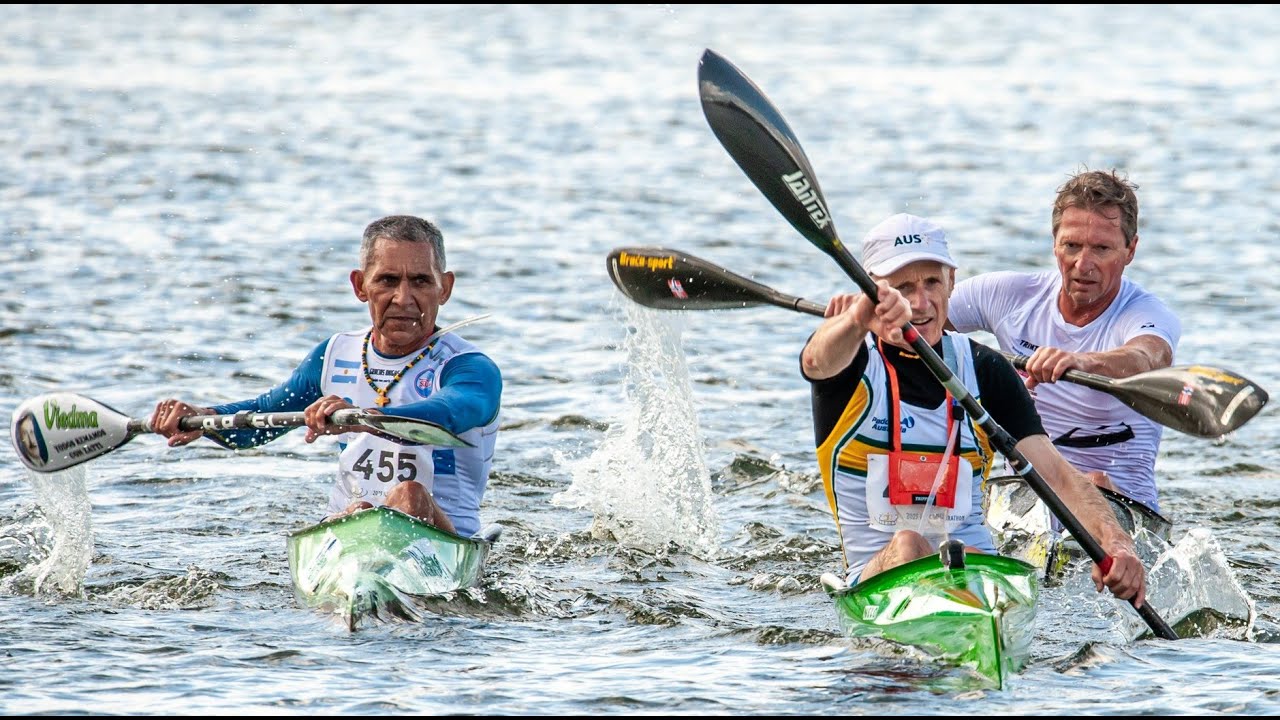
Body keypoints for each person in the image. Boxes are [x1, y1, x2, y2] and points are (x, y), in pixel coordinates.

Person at [800, 212, 1146, 605]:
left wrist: (1118, 545)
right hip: (877, 580)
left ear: (951, 282)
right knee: (910, 543)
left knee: (986, 562)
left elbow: (1057, 476)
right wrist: (859, 316)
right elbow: (816, 362)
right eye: (902, 288)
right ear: (876, 292)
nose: (920, 302)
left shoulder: (986, 371)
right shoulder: (853, 366)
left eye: (932, 282)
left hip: (978, 573)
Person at [149, 215, 502, 537]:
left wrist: (363, 420)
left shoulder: (469, 368)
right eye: (388, 280)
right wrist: (204, 420)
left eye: (421, 281)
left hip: (446, 537)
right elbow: (264, 416)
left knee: (409, 495)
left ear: (445, 288)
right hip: (350, 521)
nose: (403, 298)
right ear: (360, 285)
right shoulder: (334, 355)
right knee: (359, 511)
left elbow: (451, 412)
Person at [947, 169, 1180, 514]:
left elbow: (1148, 357)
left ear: (1130, 250)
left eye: (1101, 249)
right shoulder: (1008, 296)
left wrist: (1080, 362)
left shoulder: (1146, 313)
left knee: (1095, 480)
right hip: (1029, 500)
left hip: (1122, 507)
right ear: (1054, 242)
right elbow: (920, 322)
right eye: (1071, 246)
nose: (1082, 264)